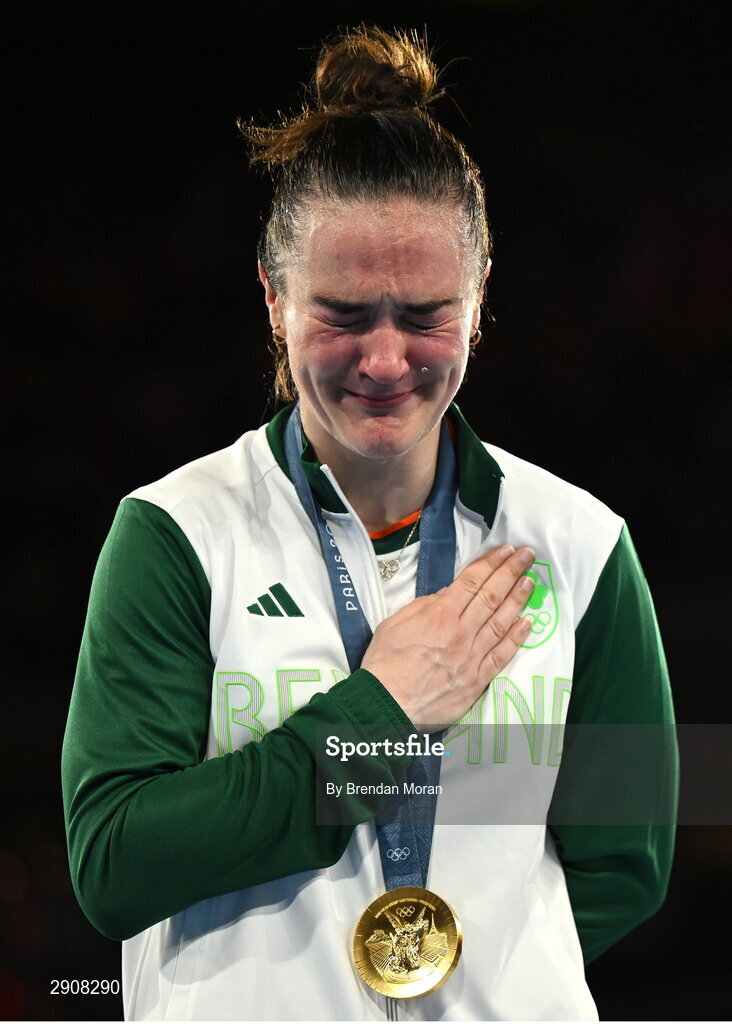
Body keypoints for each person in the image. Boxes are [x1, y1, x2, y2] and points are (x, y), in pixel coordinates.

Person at [62, 25, 678, 1021]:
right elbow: (115, 860)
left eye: (426, 312)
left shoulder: (583, 543)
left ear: (480, 304)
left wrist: (482, 979)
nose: (386, 360)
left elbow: (628, 863)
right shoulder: (176, 532)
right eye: (344, 313)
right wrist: (376, 716)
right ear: (274, 300)